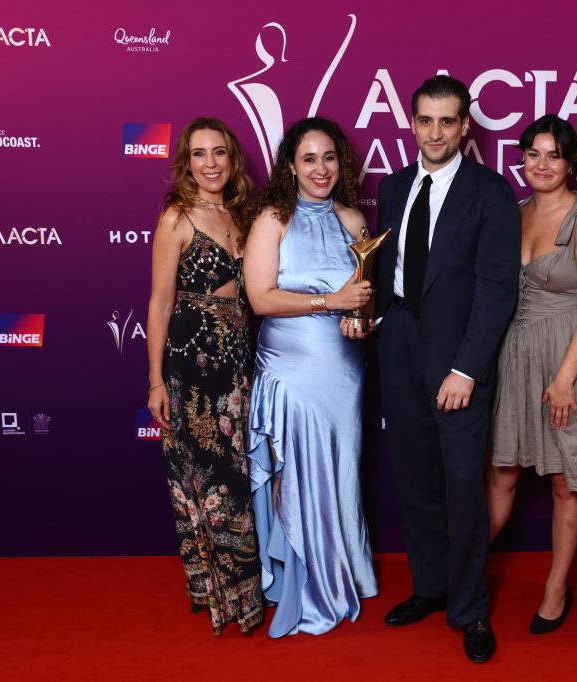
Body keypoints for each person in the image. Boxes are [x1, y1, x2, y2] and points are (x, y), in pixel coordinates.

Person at [374, 75, 520, 663]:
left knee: (462, 486)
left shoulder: (491, 191)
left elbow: (496, 290)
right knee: (415, 478)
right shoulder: (393, 186)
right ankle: (430, 587)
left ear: (464, 126)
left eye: (447, 121)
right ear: (412, 123)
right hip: (399, 348)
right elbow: (386, 270)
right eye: (425, 121)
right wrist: (373, 321)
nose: (435, 133)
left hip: (457, 358)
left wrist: (466, 368)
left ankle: (470, 608)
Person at [243, 117, 379, 637]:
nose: (321, 169)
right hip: (290, 367)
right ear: (290, 166)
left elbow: (363, 298)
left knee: (340, 470)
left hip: (343, 370)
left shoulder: (353, 220)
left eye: (329, 158)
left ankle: (342, 572)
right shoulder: (272, 219)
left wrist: (360, 316)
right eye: (308, 159)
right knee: (299, 473)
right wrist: (331, 301)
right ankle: (302, 583)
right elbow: (261, 299)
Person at [487, 115, 577, 635]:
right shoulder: (515, 212)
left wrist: (564, 379)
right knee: (502, 472)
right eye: (533, 154)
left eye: (554, 156)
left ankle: (556, 588)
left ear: (570, 164)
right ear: (522, 158)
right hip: (516, 356)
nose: (542, 165)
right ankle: (464, 567)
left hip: (571, 358)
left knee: (567, 481)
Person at [146, 117, 263, 635]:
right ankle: (226, 593)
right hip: (191, 368)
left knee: (237, 472)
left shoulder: (242, 214)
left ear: (232, 159)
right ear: (186, 162)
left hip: (237, 363)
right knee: (211, 481)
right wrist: (155, 381)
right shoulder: (177, 217)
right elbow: (160, 302)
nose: (210, 163)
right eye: (199, 153)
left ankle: (235, 586)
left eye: (219, 152)